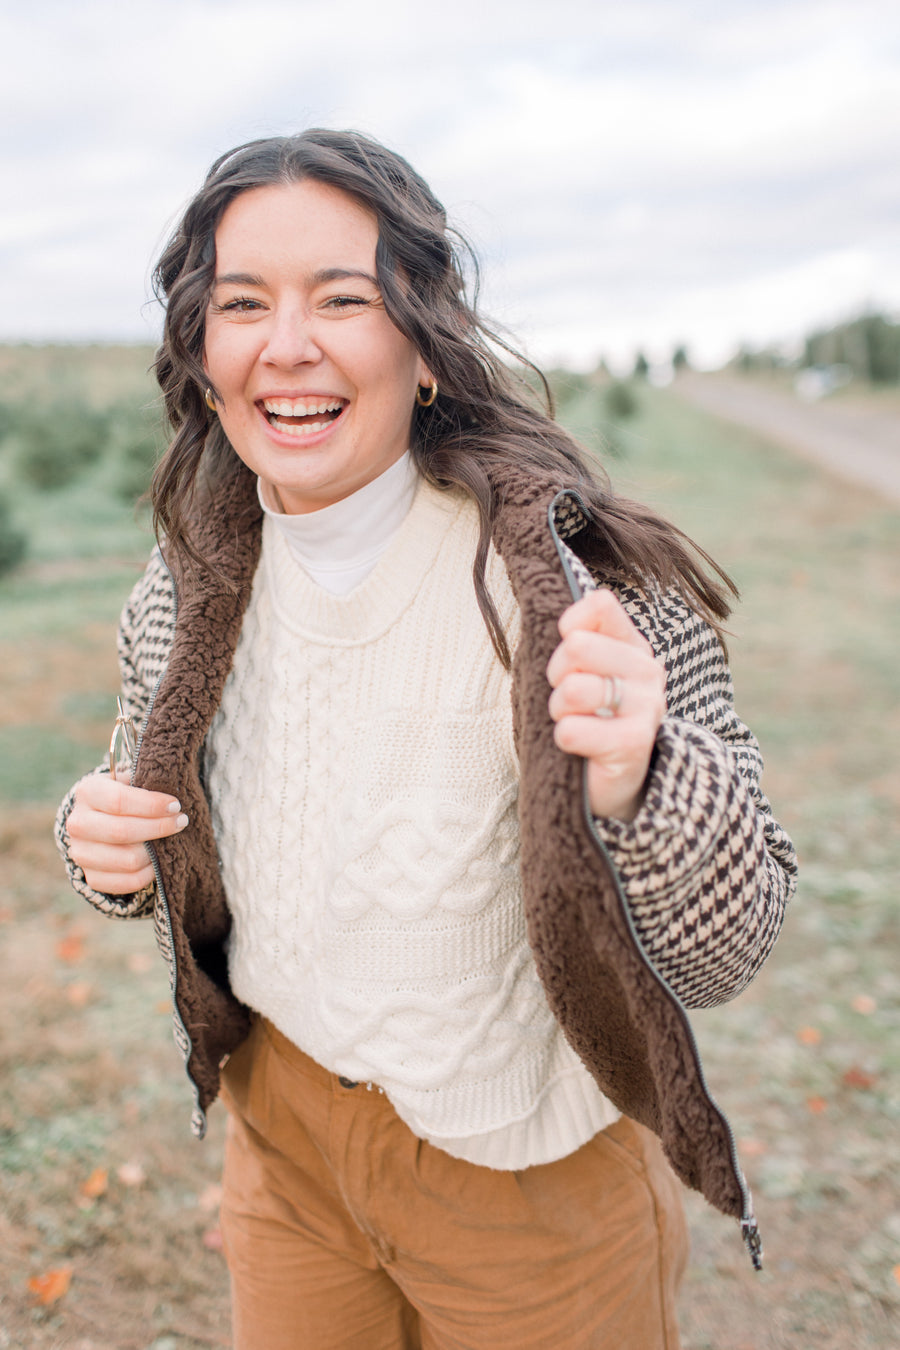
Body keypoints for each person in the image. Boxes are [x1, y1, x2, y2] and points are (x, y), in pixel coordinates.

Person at [56, 129, 797, 1350]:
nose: (287, 344)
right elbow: (145, 818)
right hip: (284, 1132)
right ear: (202, 355)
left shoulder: (578, 587)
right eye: (243, 304)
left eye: (342, 298)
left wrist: (642, 779)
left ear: (425, 342)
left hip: (527, 1182)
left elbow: (730, 950)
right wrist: (103, 848)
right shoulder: (187, 585)